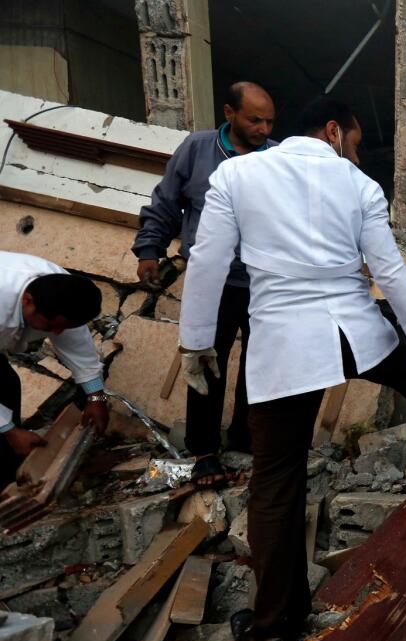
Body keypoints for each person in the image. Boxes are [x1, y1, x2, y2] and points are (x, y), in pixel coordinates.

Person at [180, 97, 406, 641]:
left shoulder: (236, 175)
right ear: (333, 131)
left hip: (285, 344)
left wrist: (195, 340)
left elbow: (208, 261)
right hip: (354, 332)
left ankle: (272, 632)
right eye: (356, 139)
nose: (357, 150)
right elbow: (387, 267)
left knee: (277, 481)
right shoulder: (359, 184)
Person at [132, 81, 277, 488]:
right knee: (206, 359)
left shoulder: (278, 158)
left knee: (262, 363)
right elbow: (165, 203)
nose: (264, 128)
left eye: (269, 121)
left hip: (264, 283)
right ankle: (204, 451)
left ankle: (248, 436)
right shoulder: (197, 150)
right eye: (255, 119)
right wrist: (149, 251)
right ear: (229, 114)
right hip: (211, 282)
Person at [1, 252, 110, 483]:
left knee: (7, 384)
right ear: (28, 301)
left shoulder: (63, 293)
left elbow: (78, 346)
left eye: (64, 327)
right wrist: (8, 430)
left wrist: (96, 397)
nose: (57, 333)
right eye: (52, 326)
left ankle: (9, 472)